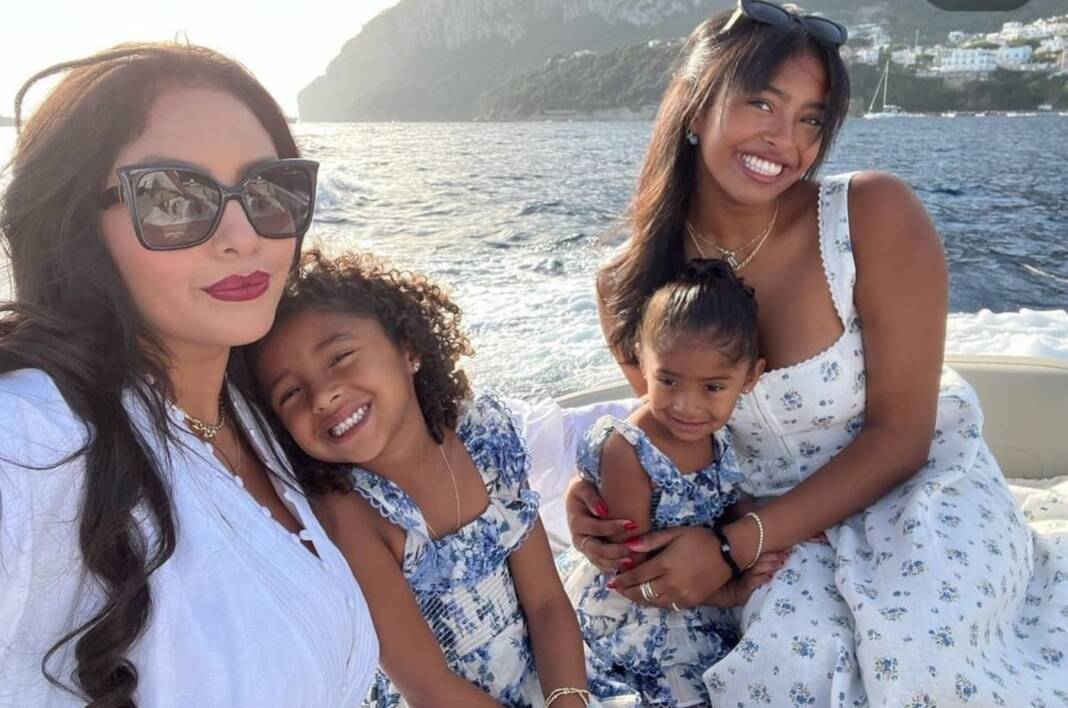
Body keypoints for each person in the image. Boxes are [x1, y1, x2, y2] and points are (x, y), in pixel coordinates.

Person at [567, 2, 1068, 705]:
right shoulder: (629, 284)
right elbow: (675, 433)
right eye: (762, 104)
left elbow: (903, 436)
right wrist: (594, 490)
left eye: (810, 119)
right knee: (785, 666)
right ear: (695, 105)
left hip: (911, 493)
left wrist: (732, 546)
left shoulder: (870, 216)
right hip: (758, 517)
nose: (785, 140)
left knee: (926, 663)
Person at [0, 44, 377, 706]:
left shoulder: (256, 403)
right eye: (173, 198)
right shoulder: (34, 441)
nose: (243, 235)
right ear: (79, 224)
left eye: (269, 191)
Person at [251, 251, 638, 708]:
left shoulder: (483, 439)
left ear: (407, 349)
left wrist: (568, 700)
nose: (322, 395)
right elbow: (429, 688)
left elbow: (547, 603)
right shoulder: (348, 515)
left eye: (340, 357)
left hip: (547, 683)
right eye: (290, 392)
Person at [561, 259, 788, 707]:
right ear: (642, 361)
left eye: (712, 387)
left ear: (750, 377)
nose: (687, 406)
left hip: (698, 585)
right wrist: (729, 592)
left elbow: (729, 496)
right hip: (642, 606)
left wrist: (767, 527)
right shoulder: (630, 450)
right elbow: (632, 563)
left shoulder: (720, 435)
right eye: (668, 380)